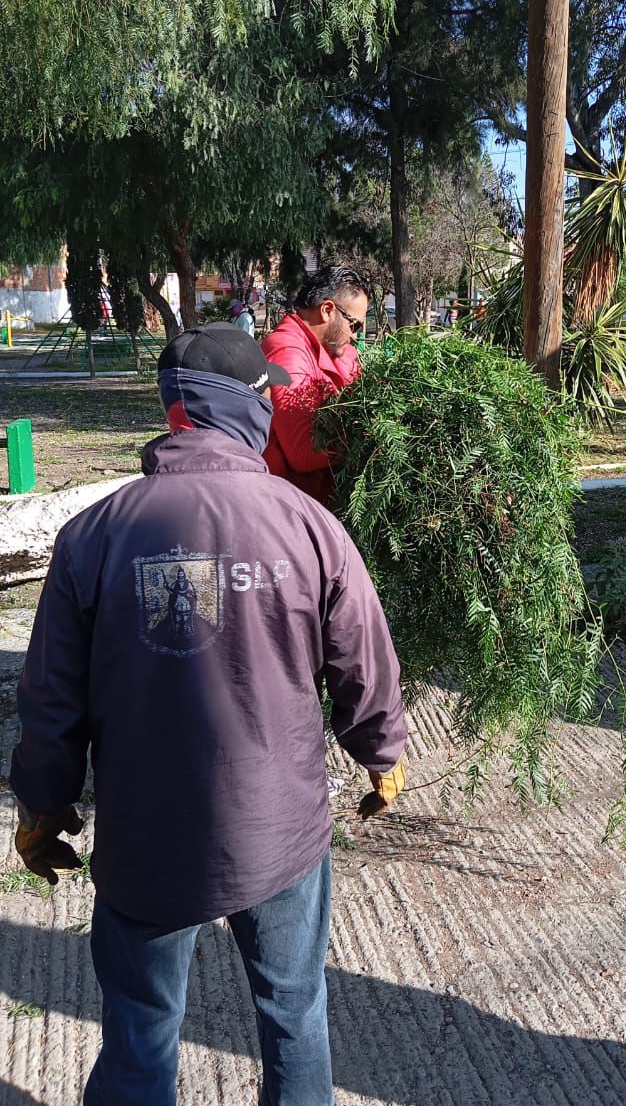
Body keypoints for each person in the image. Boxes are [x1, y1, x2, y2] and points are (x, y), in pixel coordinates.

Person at [10, 322, 408, 1106]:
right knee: (293, 1016)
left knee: (141, 1030)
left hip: (148, 837)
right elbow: (364, 662)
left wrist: (41, 804)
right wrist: (381, 754)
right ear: (249, 407)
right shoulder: (309, 527)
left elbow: (51, 696)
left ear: (173, 412)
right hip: (279, 831)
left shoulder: (94, 534)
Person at [260, 266, 370, 505]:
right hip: (292, 511)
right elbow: (303, 451)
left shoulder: (332, 349)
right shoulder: (287, 352)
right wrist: (371, 436)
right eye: (354, 325)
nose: (354, 336)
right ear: (328, 310)